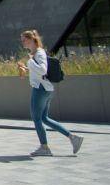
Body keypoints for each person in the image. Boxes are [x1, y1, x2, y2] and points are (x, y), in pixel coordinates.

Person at [17, 29, 84, 157]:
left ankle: (45, 148)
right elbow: (39, 72)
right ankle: (73, 138)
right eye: (22, 40)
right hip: (45, 88)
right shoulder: (36, 53)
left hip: (40, 89)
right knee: (44, 118)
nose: (23, 42)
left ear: (32, 39)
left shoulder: (39, 53)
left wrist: (30, 62)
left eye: (24, 40)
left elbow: (42, 70)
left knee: (37, 118)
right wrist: (26, 68)